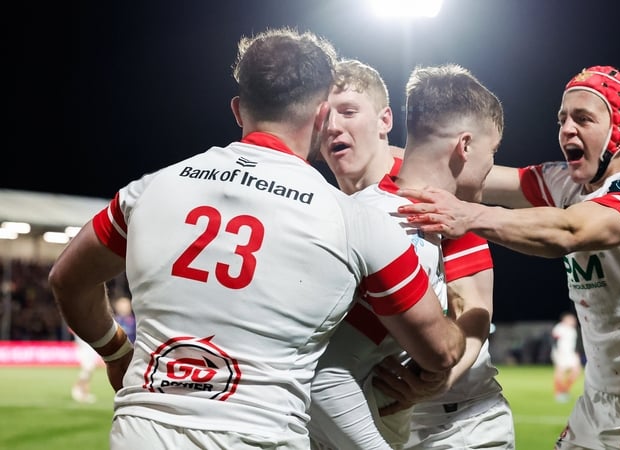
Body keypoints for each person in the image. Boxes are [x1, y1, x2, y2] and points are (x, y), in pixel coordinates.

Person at [47, 27, 466, 450]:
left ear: (237, 109)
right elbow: (439, 352)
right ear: (322, 116)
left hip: (142, 434)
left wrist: (118, 353)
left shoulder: (150, 190)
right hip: (261, 436)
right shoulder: (354, 221)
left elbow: (67, 278)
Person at [395, 65, 620, 449]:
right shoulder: (569, 182)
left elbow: (570, 231)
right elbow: (464, 170)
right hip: (599, 399)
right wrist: (369, 147)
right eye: (562, 118)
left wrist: (470, 216)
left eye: (583, 118)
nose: (567, 129)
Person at [309, 60, 513, 450]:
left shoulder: (436, 208)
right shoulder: (370, 217)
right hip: (373, 415)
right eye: (325, 116)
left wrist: (439, 376)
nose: (334, 126)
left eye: (349, 111)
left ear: (385, 119)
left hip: (456, 420)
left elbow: (474, 308)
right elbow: (328, 369)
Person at [550, 311, 581, 403]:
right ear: (565, 320)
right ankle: (558, 393)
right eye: (572, 319)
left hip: (570, 353)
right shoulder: (559, 328)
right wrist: (557, 351)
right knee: (560, 372)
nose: (574, 321)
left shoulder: (572, 330)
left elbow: (573, 344)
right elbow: (554, 340)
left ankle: (564, 390)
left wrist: (576, 353)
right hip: (561, 353)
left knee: (576, 371)